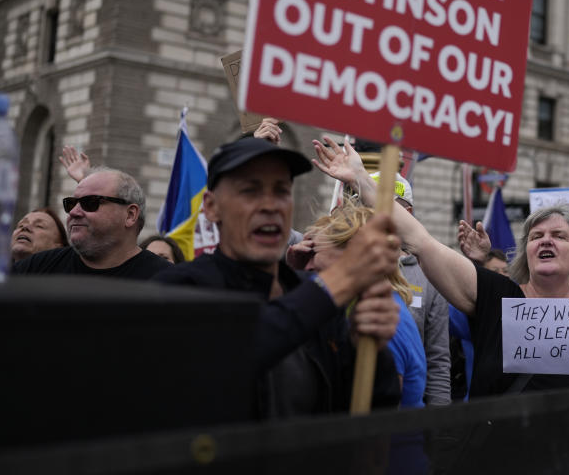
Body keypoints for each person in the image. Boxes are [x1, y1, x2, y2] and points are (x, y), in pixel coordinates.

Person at [312, 138, 569, 397]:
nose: (545, 241)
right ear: (525, 253)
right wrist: (362, 181)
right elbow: (421, 240)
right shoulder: (497, 298)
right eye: (536, 236)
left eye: (559, 236)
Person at [152, 137, 401, 418]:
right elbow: (222, 366)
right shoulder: (180, 287)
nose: (270, 206)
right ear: (211, 207)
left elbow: (370, 408)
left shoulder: (311, 297)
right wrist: (338, 281)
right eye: (250, 191)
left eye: (281, 191)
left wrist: (369, 351)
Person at [304, 201, 428, 408]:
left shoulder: (381, 322)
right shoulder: (357, 308)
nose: (306, 266)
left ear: (352, 257)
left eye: (314, 253)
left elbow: (381, 417)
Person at [369, 170, 452, 406]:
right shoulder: (340, 259)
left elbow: (437, 359)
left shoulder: (431, 273)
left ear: (408, 214)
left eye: (388, 207)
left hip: (407, 415)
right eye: (369, 204)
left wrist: (439, 424)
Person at [12, 167, 172, 279]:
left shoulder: (166, 282)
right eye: (71, 203)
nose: (74, 212)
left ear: (130, 215)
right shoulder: (35, 269)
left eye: (90, 202)